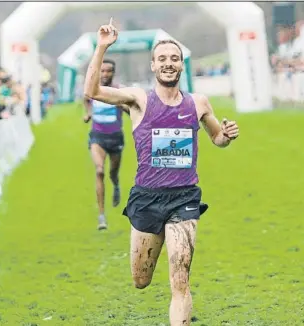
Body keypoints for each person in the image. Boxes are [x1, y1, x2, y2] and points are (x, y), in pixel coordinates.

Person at [84, 20, 240, 326]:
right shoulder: (138, 99)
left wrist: (227, 135)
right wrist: (102, 46)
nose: (169, 64)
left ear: (182, 65)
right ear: (153, 65)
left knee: (180, 280)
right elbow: (92, 90)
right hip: (146, 198)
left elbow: (217, 139)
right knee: (140, 279)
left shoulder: (198, 103)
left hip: (184, 197)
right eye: (163, 59)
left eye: (174, 59)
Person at [83, 58, 127, 230]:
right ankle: (101, 216)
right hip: (98, 136)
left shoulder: (118, 91)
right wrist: (88, 114)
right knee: (99, 170)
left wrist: (127, 110)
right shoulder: (92, 88)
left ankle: (115, 185)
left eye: (109, 71)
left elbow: (129, 105)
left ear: (113, 73)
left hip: (116, 137)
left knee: (112, 173)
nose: (105, 74)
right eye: (103, 70)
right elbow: (86, 100)